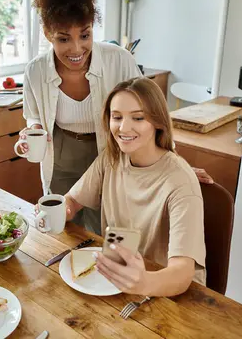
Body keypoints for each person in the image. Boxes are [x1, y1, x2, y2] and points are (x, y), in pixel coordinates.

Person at [21, 0, 212, 234]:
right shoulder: (35, 71)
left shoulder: (118, 60)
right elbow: (34, 118)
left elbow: (149, 116)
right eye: (64, 39)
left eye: (84, 35)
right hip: (60, 157)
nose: (76, 48)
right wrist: (33, 132)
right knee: (62, 231)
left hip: (111, 153)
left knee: (108, 232)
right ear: (48, 33)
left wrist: (173, 169)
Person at [65, 77, 206, 296]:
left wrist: (143, 282)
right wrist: (58, 209)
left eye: (138, 118)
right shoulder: (111, 159)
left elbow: (183, 273)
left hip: (166, 292)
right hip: (117, 281)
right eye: (116, 117)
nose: (123, 127)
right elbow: (72, 201)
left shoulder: (181, 183)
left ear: (157, 121)